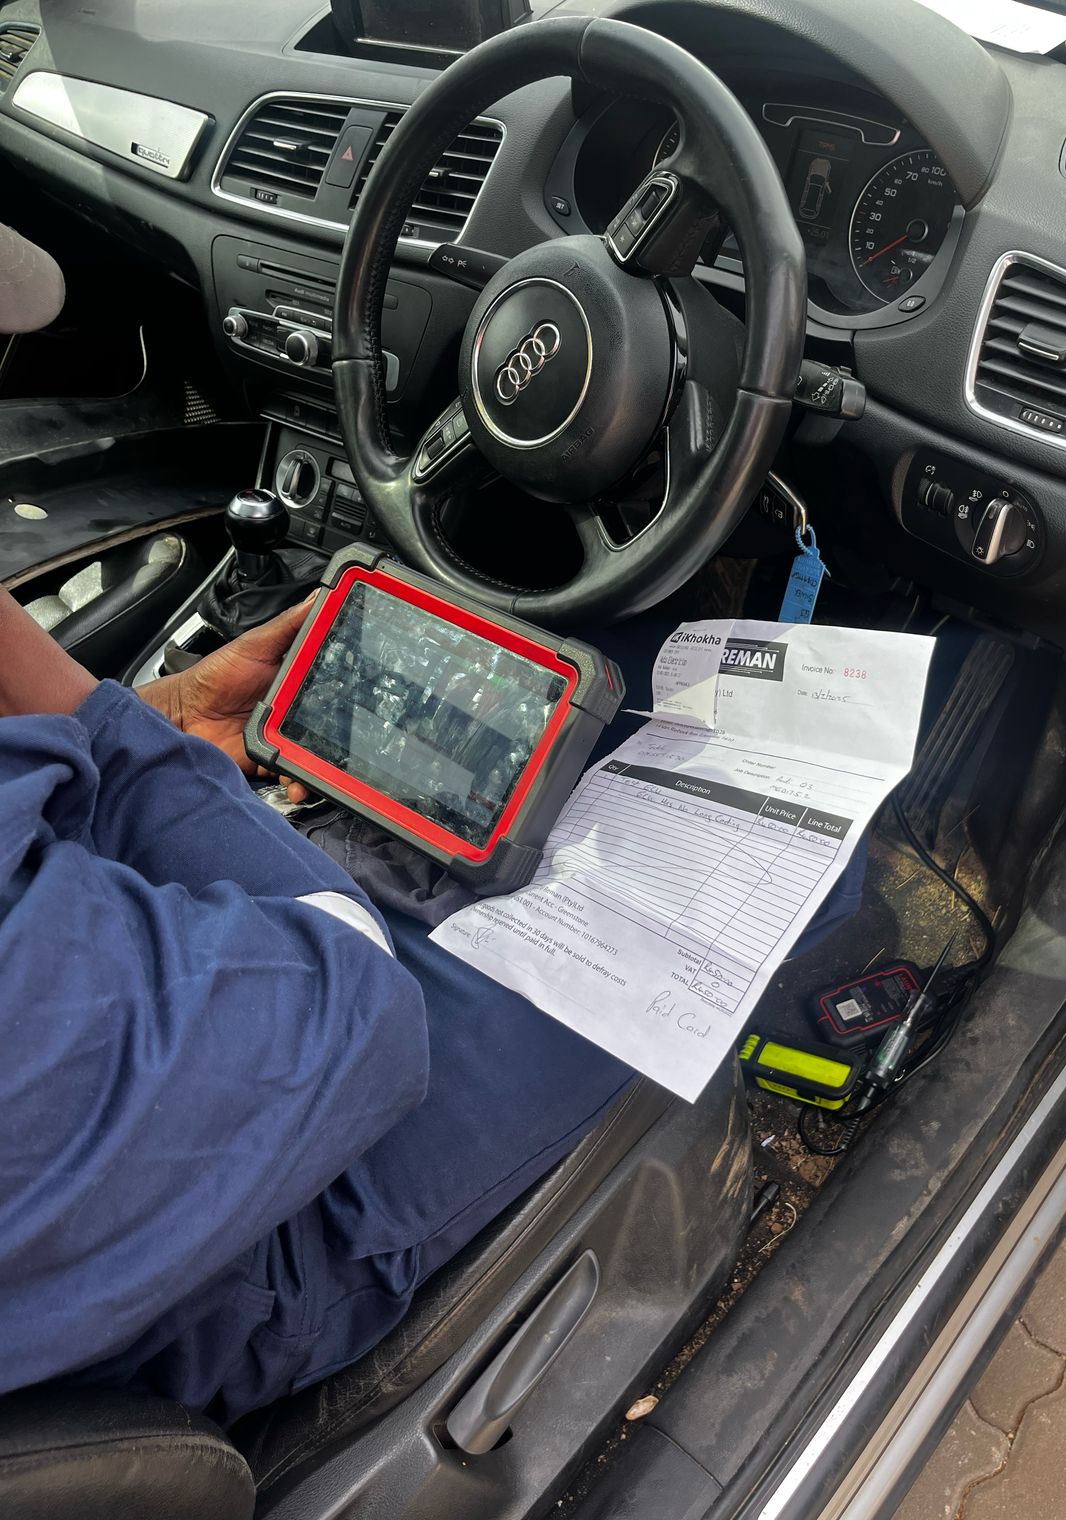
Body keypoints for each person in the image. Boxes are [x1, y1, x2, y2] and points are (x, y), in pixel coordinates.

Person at [0, 585, 632, 1422]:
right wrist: (130, 752)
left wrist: (164, 719)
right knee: (647, 919)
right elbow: (359, 1002)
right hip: (225, 1268)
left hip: (80, 1175)